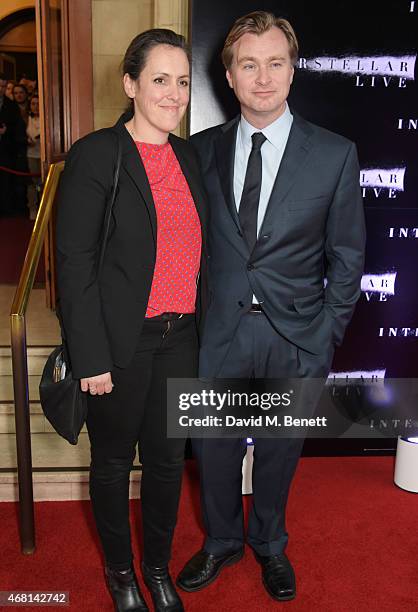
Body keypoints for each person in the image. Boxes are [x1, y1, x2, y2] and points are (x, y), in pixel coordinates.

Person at [177, 11, 366, 603]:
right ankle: (221, 541)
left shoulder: (334, 154)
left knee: (281, 452)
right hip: (219, 334)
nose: (263, 78)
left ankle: (269, 543)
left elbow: (348, 255)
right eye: (249, 65)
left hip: (295, 337)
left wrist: (325, 335)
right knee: (213, 452)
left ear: (293, 70)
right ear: (228, 76)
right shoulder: (198, 152)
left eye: (275, 63)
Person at [56, 28, 207, 612]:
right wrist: (89, 356)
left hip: (181, 340)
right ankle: (122, 575)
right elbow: (75, 263)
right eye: (160, 80)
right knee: (115, 462)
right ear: (130, 84)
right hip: (120, 345)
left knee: (169, 462)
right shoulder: (99, 154)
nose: (174, 94)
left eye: (183, 81)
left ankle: (157, 568)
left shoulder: (188, 156)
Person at [0, 73, 27, 215]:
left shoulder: (11, 106)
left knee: (5, 184)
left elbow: (17, 129)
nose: (1, 88)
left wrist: (6, 131)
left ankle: (6, 211)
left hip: (5, 151)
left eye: (4, 86)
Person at [26, 94, 41, 220]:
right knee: (32, 183)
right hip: (31, 154)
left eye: (38, 103)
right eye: (33, 104)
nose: (35, 106)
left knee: (43, 183)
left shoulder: (46, 118)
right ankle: (33, 208)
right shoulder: (26, 119)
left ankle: (44, 208)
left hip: (43, 154)